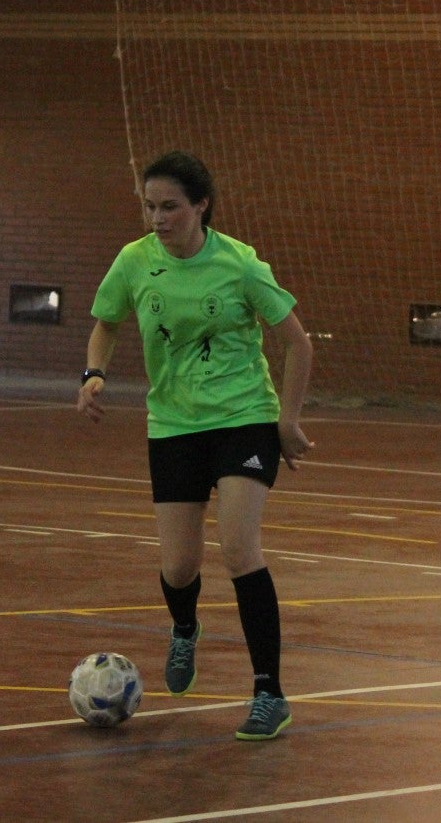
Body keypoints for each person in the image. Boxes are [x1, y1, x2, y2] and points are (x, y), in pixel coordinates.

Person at [77, 150, 314, 740]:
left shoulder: (239, 265)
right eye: (150, 207)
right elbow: (106, 323)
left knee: (238, 549)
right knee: (179, 566)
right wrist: (93, 374)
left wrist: (286, 421)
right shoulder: (134, 261)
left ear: (201, 205)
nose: (158, 218)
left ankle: (269, 694)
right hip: (174, 424)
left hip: (243, 417)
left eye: (171, 207)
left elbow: (298, 343)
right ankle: (185, 628)